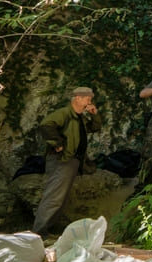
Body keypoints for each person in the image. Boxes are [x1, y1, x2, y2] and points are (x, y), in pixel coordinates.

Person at [33, 87, 101, 236]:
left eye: (90, 98)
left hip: (72, 161)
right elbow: (46, 125)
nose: (90, 101)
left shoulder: (80, 117)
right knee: (54, 197)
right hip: (61, 160)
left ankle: (47, 229)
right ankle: (39, 231)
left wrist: (95, 115)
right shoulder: (65, 113)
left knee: (61, 199)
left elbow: (94, 127)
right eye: (87, 98)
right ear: (77, 98)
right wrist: (57, 144)